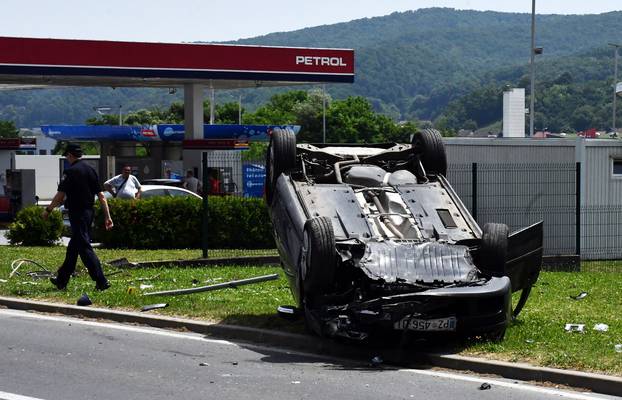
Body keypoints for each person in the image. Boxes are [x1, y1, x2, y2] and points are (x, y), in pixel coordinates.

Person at [43, 143, 114, 291]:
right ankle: (61, 279)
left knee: (84, 247)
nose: (67, 159)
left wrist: (48, 210)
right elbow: (101, 196)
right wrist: (108, 216)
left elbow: (60, 196)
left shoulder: (70, 172)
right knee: (73, 247)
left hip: (78, 214)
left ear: (70, 155)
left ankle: (101, 281)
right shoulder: (90, 170)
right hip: (89, 213)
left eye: (67, 156)